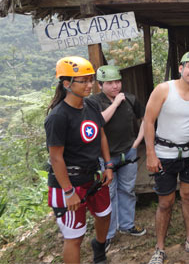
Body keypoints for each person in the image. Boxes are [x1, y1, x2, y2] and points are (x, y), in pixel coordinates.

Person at [144, 51, 189, 264]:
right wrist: (150, 154)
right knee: (165, 202)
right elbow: (148, 121)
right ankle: (160, 248)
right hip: (165, 153)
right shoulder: (164, 89)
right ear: (181, 68)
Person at [45, 56, 113, 264]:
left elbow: (101, 135)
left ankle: (99, 249)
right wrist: (68, 191)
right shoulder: (58, 117)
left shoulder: (90, 106)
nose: (90, 85)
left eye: (90, 80)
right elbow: (56, 157)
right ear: (67, 84)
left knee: (104, 214)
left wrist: (108, 164)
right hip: (69, 182)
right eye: (83, 81)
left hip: (93, 174)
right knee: (74, 236)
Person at [89, 65, 146, 251]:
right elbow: (99, 122)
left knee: (127, 190)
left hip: (128, 152)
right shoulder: (93, 103)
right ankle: (108, 234)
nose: (115, 86)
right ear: (100, 85)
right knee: (109, 194)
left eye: (118, 82)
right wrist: (115, 104)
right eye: (110, 83)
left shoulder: (130, 99)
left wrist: (137, 143)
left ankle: (127, 225)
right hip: (105, 158)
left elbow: (145, 118)